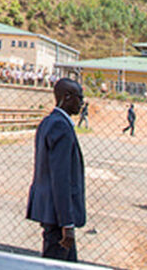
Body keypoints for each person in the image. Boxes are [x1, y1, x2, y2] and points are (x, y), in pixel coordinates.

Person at [27, 78, 87, 262]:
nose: (82, 103)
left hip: (52, 213)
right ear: (67, 97)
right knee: (57, 262)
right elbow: (61, 178)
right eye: (79, 97)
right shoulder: (61, 126)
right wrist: (66, 222)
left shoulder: (49, 122)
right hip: (58, 217)